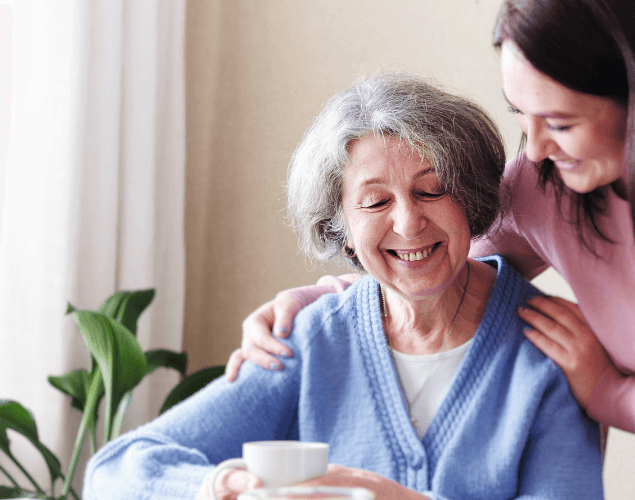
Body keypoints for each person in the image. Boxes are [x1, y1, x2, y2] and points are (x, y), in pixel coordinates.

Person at [229, 1, 635, 498]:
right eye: (521, 115)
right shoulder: (549, 181)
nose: (537, 148)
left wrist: (609, 394)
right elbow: (437, 258)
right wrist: (319, 299)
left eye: (562, 122)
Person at [83, 72, 604, 500]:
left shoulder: (549, 348)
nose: (407, 223)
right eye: (376, 203)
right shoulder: (310, 339)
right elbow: (116, 471)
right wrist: (229, 487)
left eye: (431, 190)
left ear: (469, 200)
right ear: (344, 232)